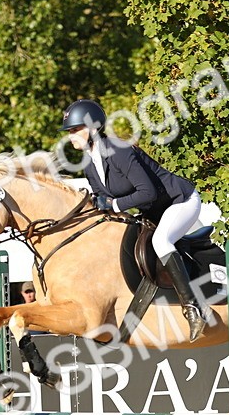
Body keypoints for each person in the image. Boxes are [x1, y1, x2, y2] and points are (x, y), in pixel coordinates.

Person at [60, 99, 207, 341]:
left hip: (179, 201)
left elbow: (146, 192)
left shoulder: (119, 150)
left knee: (161, 241)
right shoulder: (88, 164)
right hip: (151, 211)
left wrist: (114, 205)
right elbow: (102, 198)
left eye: (75, 129)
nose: (71, 136)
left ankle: (192, 309)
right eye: (70, 131)